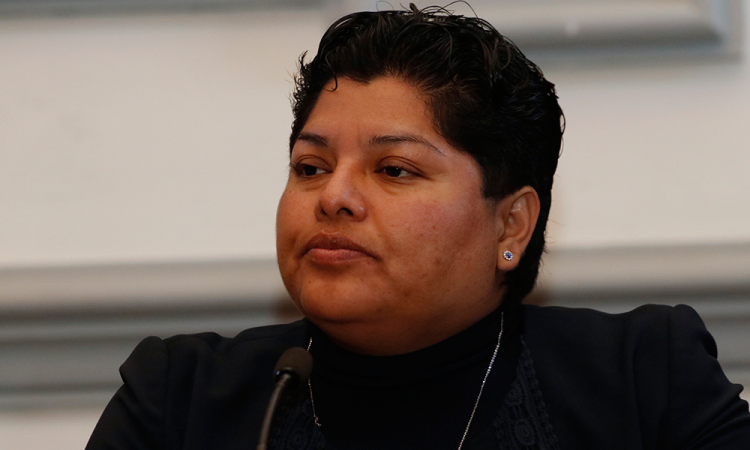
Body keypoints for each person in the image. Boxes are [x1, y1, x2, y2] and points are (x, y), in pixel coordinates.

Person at [86, 4, 750, 450]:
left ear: (510, 224)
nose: (334, 197)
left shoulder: (642, 382)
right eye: (311, 167)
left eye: (394, 170)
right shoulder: (181, 400)